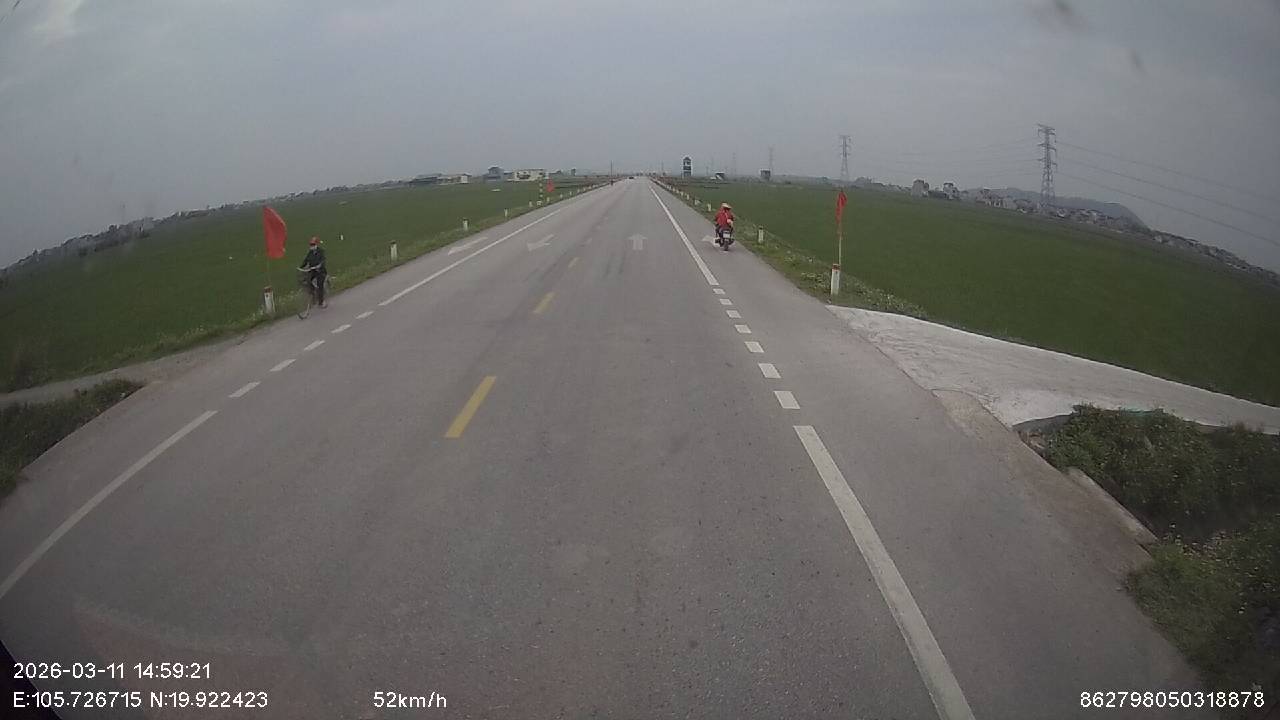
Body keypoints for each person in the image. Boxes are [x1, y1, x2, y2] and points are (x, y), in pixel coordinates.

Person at [300, 236, 328, 307]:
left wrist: (319, 265)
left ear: (316, 245)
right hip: (313, 270)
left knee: (319, 284)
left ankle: (321, 302)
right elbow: (306, 261)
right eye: (311, 245)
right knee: (308, 281)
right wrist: (300, 267)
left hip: (320, 271)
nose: (312, 246)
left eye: (313, 245)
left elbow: (323, 260)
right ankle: (313, 296)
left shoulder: (321, 251)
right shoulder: (310, 253)